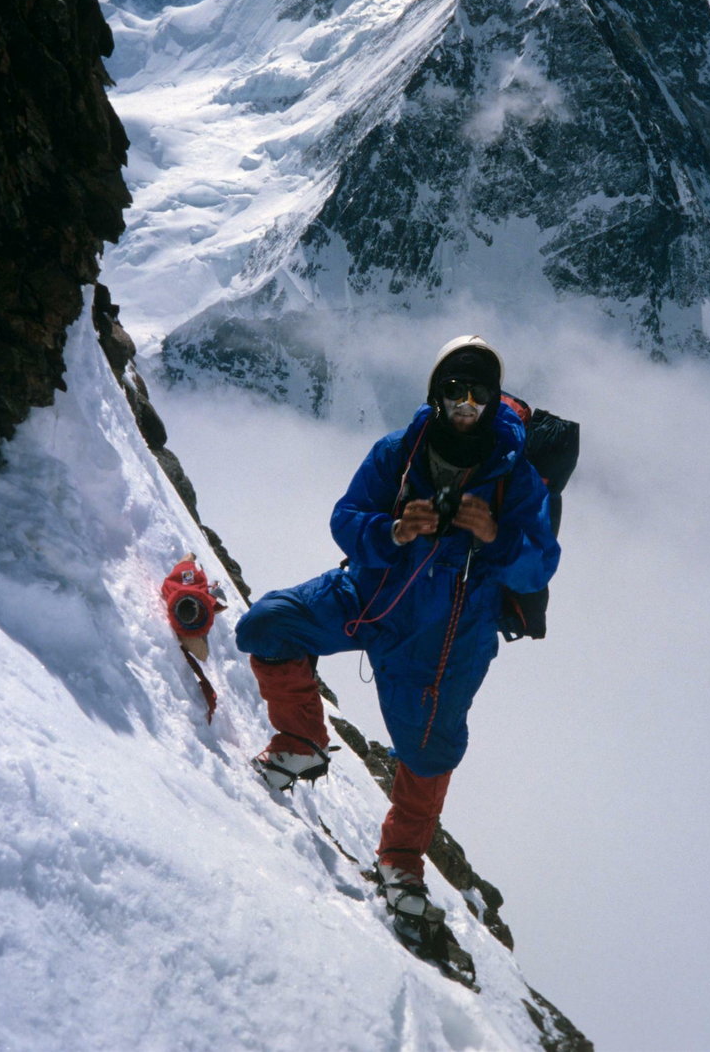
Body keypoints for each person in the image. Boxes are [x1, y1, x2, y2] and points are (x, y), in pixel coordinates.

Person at [235, 335, 560, 923]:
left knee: (429, 750)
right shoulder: (400, 452)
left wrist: (495, 536)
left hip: (446, 638)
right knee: (269, 624)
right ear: (437, 394)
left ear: (493, 397)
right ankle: (301, 742)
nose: (466, 403)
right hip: (368, 594)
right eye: (455, 391)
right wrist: (390, 532)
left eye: (478, 391)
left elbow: (541, 563)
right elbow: (346, 516)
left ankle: (402, 857)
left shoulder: (517, 478)